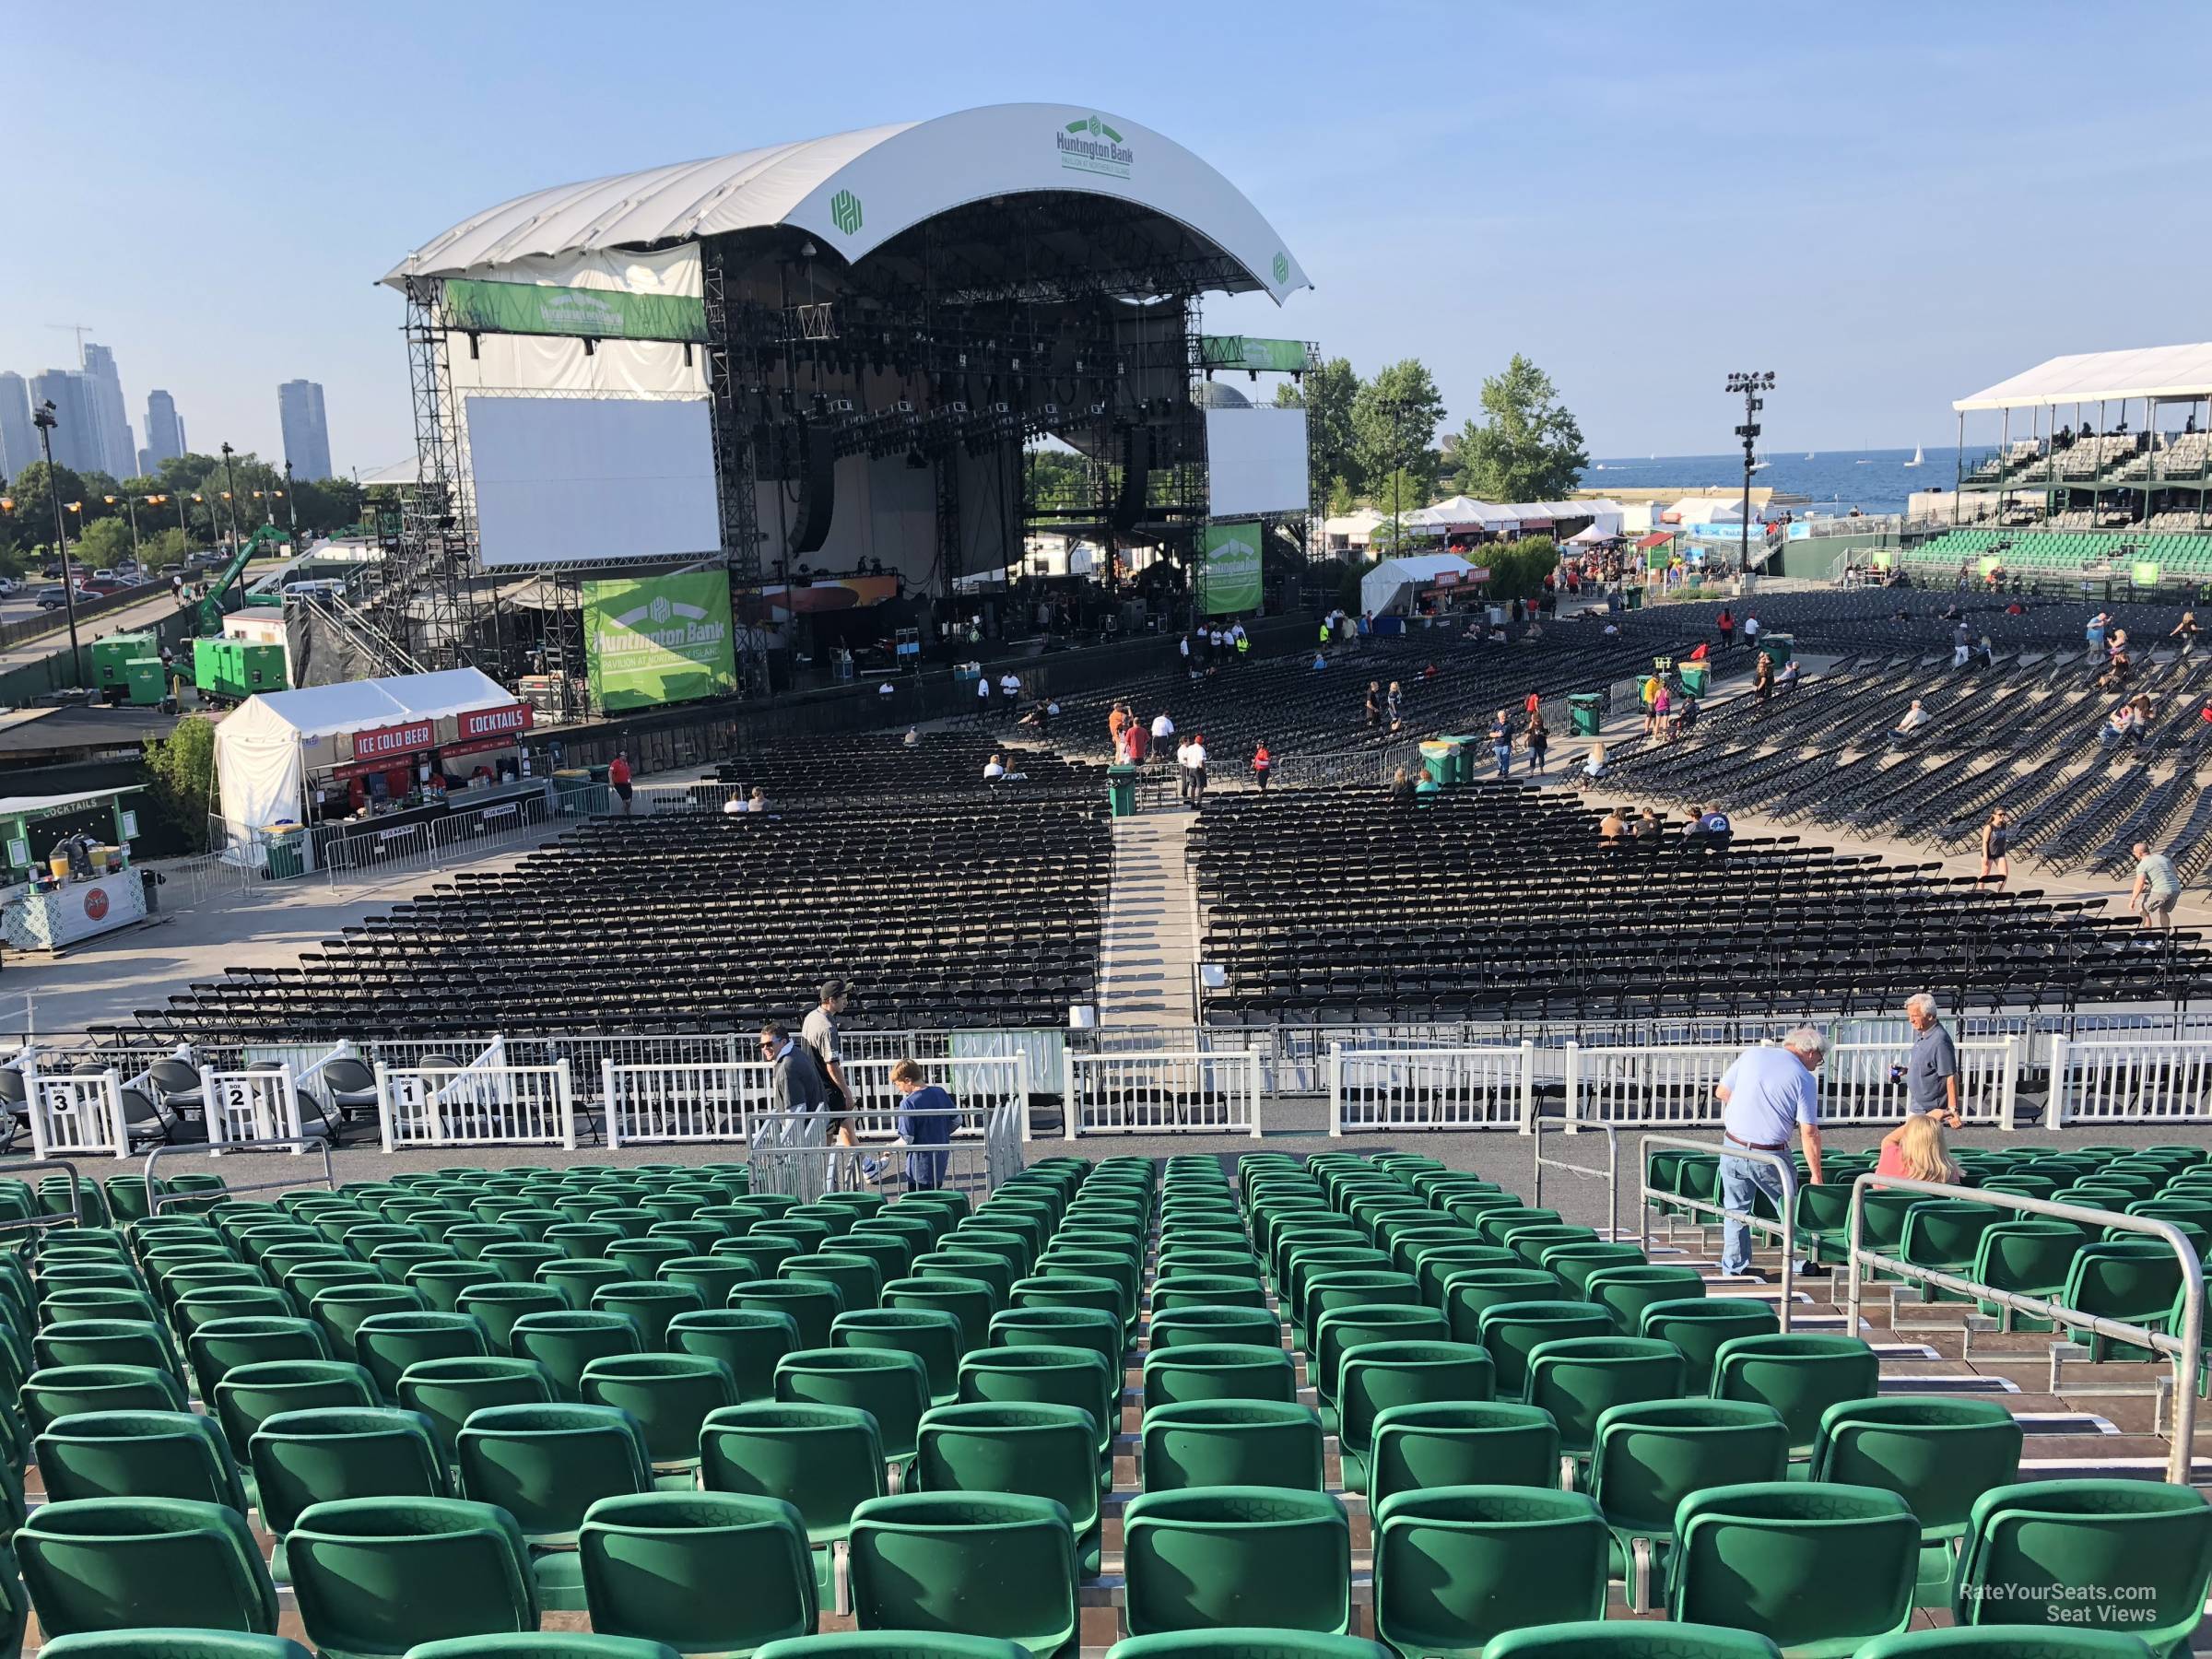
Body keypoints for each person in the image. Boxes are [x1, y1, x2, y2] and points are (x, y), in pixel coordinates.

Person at [1712, 1027, 1827, 1280]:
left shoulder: (1752, 1054)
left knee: (1735, 1211)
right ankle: (1794, 1260)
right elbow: (1808, 1132)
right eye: (1820, 1056)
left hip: (1732, 1145)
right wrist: (1816, 1175)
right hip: (1770, 1153)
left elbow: (1721, 1092)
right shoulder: (1803, 1078)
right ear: (1810, 1050)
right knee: (1787, 1208)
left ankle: (1733, 1269)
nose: (1820, 1062)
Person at [802, 982, 858, 1166]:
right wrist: (846, 1092)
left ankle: (866, 1165)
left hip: (814, 1083)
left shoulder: (811, 1016)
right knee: (828, 1133)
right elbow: (832, 1065)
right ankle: (822, 1173)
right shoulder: (827, 1026)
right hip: (827, 1086)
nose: (846, 1002)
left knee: (845, 1122)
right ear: (831, 1000)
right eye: (843, 998)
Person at [888, 1058, 956, 1189]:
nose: (900, 1089)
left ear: (908, 1080)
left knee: (919, 1202)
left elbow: (907, 1138)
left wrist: (890, 1148)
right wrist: (941, 1132)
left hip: (919, 1166)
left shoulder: (908, 1103)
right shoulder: (940, 1092)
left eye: (898, 1085)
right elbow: (957, 1120)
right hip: (940, 1159)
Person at [1876, 1110, 1961, 1185]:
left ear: (1908, 1136)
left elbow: (1889, 1139)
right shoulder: (1950, 1173)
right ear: (1939, 1140)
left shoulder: (1892, 1156)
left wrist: (1929, 1116)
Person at [2131, 841, 2181, 931]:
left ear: (2140, 853)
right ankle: (2166, 938)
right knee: (2163, 911)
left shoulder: (2142, 865)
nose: (2134, 854)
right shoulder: (2162, 857)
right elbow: (2175, 872)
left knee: (2144, 910)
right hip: (2175, 888)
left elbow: (2140, 883)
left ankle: (2147, 937)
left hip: (2161, 890)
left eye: (2134, 852)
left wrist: (2133, 900)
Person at [1978, 806, 2011, 888]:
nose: (2002, 816)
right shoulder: (1989, 827)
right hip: (1989, 853)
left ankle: (1999, 892)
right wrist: (1985, 856)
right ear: (1994, 815)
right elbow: (1984, 842)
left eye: (2004, 814)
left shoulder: (2004, 825)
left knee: (2004, 874)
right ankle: (1980, 892)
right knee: (1985, 875)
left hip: (1999, 853)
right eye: (2000, 815)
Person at [1489, 709, 1513, 779]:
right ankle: (1501, 770)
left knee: (1505, 758)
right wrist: (1497, 734)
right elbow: (1490, 734)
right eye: (1502, 716)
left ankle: (1505, 772)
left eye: (1505, 716)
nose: (1504, 717)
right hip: (1498, 744)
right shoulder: (1495, 724)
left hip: (1507, 744)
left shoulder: (1509, 724)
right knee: (1499, 758)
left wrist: (1514, 742)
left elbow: (1513, 733)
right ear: (1499, 717)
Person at [608, 751, 634, 815]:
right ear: (620, 756)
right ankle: (625, 813)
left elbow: (627, 772)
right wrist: (611, 781)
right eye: (624, 755)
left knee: (629, 800)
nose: (625, 756)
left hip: (627, 783)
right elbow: (610, 772)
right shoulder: (615, 763)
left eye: (626, 755)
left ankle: (626, 813)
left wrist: (630, 778)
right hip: (619, 784)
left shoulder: (625, 763)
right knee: (627, 800)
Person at [1524, 711, 1548, 777]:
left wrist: (1542, 733)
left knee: (1541, 757)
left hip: (1541, 742)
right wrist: (1525, 740)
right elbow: (1529, 732)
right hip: (1532, 742)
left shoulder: (1543, 724)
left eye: (1533, 718)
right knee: (1532, 757)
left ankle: (1541, 769)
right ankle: (1531, 772)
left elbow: (1547, 734)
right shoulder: (1531, 723)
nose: (1532, 719)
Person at [1187, 733, 1208, 803]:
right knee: (1200, 787)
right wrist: (1204, 770)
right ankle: (1199, 803)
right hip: (1198, 769)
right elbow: (1201, 761)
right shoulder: (1201, 748)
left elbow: (1186, 757)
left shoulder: (1190, 747)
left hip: (1191, 769)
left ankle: (1192, 803)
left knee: (1193, 787)